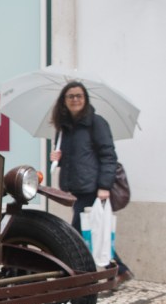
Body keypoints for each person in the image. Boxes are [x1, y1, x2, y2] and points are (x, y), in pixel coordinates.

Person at [50, 80, 133, 282]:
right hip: (75, 187)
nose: (75, 99)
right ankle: (119, 271)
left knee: (75, 233)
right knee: (92, 232)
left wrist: (104, 186)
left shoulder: (96, 123)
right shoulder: (63, 128)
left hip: (93, 188)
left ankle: (72, 275)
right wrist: (57, 159)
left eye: (79, 96)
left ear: (85, 99)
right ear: (64, 100)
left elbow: (108, 156)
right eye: (71, 96)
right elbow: (72, 160)